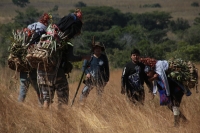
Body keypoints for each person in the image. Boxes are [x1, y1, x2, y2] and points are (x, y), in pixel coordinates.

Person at [37, 8, 89, 109]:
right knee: (63, 98)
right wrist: (84, 57)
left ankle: (43, 121)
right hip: (56, 72)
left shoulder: (47, 35)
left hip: (42, 72)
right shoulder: (65, 42)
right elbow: (71, 58)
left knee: (47, 99)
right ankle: (62, 120)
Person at [18, 13, 51, 104]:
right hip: (34, 65)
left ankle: (19, 106)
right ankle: (41, 108)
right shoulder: (42, 30)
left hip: (24, 65)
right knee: (39, 89)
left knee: (23, 89)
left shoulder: (31, 27)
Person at [144, 60, 188, 127]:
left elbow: (166, 83)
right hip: (171, 92)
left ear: (152, 71)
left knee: (175, 106)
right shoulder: (155, 76)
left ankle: (176, 124)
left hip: (177, 90)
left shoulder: (161, 74)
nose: (147, 74)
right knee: (170, 106)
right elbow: (156, 85)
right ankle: (184, 120)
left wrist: (155, 78)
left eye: (148, 73)